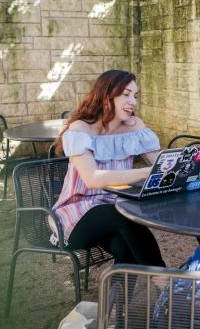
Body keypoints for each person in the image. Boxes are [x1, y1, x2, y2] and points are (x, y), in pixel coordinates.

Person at [50, 70, 165, 267]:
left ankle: (117, 297)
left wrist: (186, 163)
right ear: (106, 96)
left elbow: (162, 164)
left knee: (125, 248)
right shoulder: (80, 129)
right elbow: (93, 179)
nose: (133, 102)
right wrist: (146, 172)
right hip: (76, 214)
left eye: (135, 96)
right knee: (125, 214)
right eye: (126, 94)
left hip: (114, 210)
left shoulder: (134, 127)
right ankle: (168, 285)